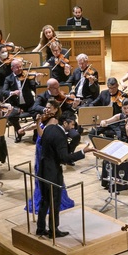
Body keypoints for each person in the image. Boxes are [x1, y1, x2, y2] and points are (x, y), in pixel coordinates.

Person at [35, 99, 93, 237]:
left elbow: (43, 142)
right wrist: (84, 151)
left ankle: (40, 228)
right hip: (52, 172)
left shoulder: (49, 127)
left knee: (44, 200)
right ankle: (53, 231)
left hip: (42, 168)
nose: (73, 128)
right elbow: (65, 158)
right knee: (54, 201)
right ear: (65, 123)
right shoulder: (60, 135)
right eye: (72, 125)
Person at [2, 59, 38, 142]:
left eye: (21, 66)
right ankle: (19, 132)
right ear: (12, 68)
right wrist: (12, 92)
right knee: (11, 116)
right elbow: (4, 91)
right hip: (16, 105)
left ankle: (36, 134)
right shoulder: (8, 79)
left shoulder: (27, 76)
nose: (20, 69)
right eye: (17, 67)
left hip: (29, 104)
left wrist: (36, 80)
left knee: (38, 114)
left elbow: (35, 88)